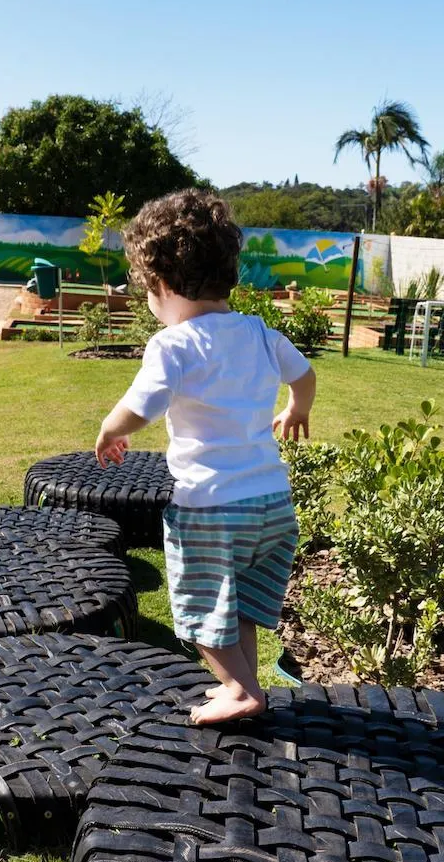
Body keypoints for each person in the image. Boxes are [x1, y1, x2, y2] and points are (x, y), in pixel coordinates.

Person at [95, 189, 316, 726]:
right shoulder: (260, 333)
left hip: (211, 510)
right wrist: (294, 410)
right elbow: (305, 374)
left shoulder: (174, 344)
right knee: (232, 603)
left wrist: (110, 428)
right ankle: (246, 686)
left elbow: (141, 407)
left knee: (197, 610)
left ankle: (240, 689)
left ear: (163, 285)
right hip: (271, 507)